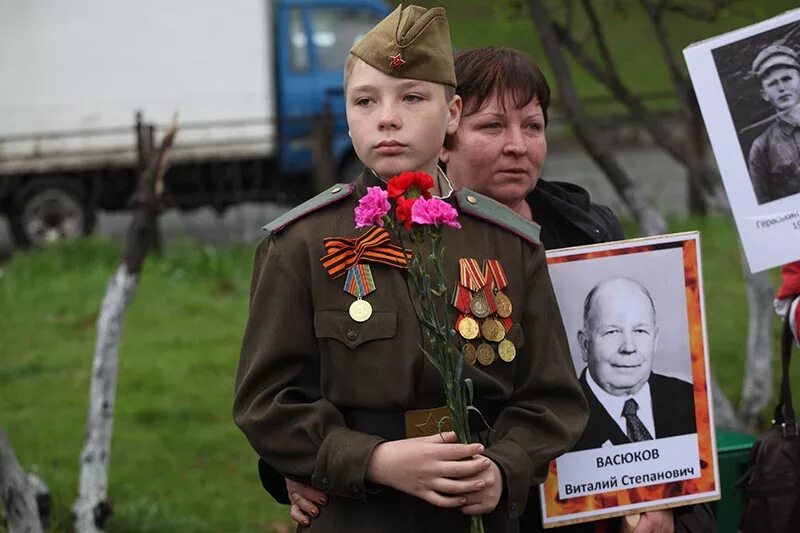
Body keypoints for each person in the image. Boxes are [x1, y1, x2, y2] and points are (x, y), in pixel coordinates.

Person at [233, 7, 588, 532]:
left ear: (452, 114)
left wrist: (504, 466)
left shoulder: (506, 243)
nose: (388, 118)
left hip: (478, 507)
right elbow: (266, 402)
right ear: (348, 115)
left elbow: (552, 396)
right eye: (365, 101)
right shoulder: (301, 243)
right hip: (362, 511)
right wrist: (371, 459)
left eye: (413, 97)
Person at [570, 278, 696, 452]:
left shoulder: (690, 400)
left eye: (640, 331)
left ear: (655, 340)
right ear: (585, 344)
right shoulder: (561, 418)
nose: (628, 347)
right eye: (612, 332)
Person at [747, 43, 800, 204]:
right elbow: (764, 207)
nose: (782, 88)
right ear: (764, 94)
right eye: (773, 83)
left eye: (787, 79)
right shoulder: (761, 147)